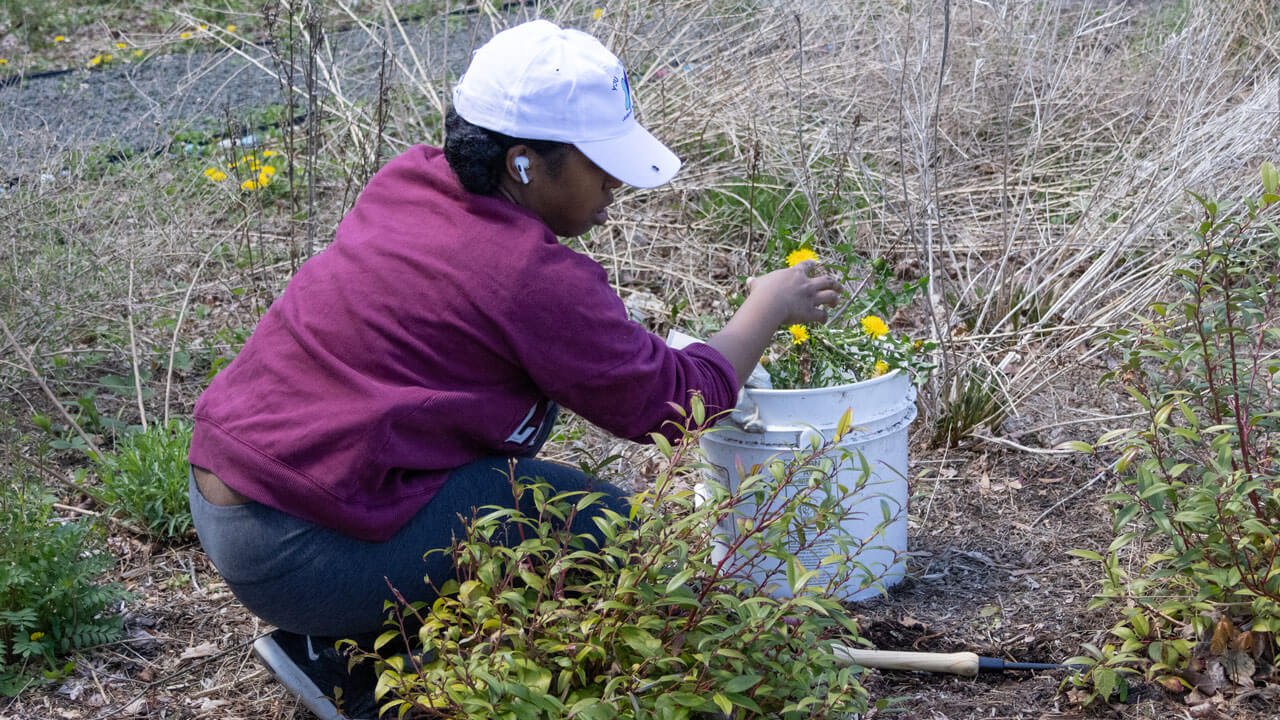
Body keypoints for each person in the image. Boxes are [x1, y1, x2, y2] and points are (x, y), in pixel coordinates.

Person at [186, 19, 839, 720]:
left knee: (503, 496)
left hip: (236, 498)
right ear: (523, 162)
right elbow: (678, 404)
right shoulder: (526, 275)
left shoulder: (411, 183)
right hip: (301, 549)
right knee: (609, 534)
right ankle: (375, 667)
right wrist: (766, 307)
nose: (616, 181)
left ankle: (351, 641)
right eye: (599, 162)